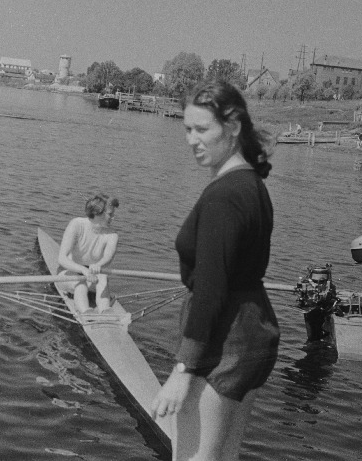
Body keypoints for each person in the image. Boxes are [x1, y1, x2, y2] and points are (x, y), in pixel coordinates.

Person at [150, 80, 280, 460]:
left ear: (233, 126)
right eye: (187, 129)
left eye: (203, 129)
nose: (192, 140)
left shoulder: (224, 195)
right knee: (225, 456)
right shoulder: (252, 184)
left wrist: (183, 369)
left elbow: (210, 288)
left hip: (223, 340)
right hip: (252, 331)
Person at [57, 193, 120, 313]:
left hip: (93, 275)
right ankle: (86, 312)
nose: (113, 218)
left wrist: (99, 264)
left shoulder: (113, 235)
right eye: (110, 214)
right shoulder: (76, 224)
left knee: (103, 278)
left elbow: (108, 256)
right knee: (80, 281)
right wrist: (83, 270)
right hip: (68, 272)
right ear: (97, 212)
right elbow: (62, 259)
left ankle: (105, 311)